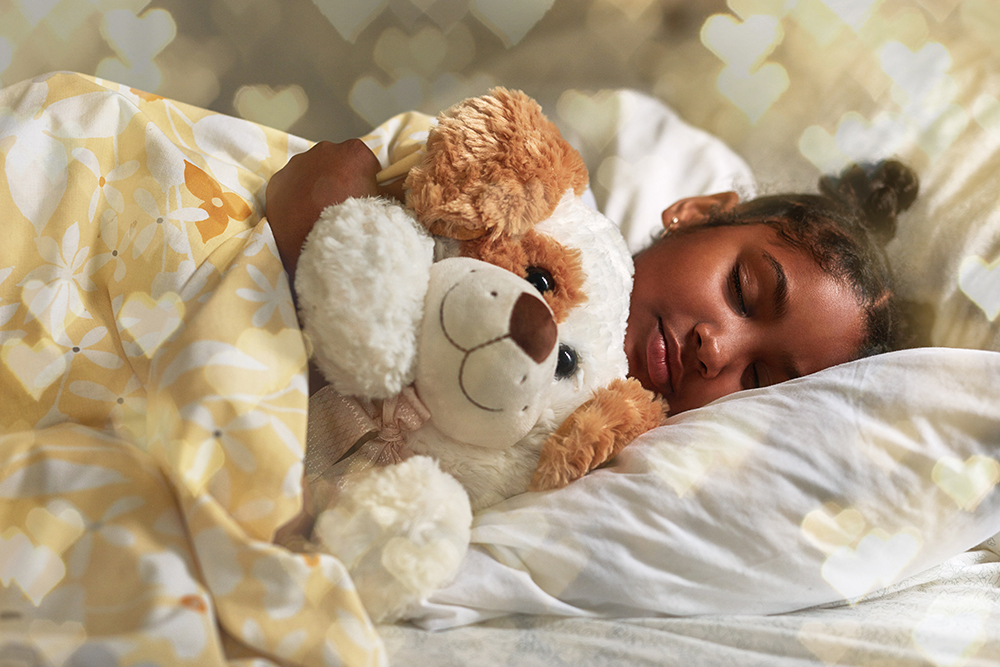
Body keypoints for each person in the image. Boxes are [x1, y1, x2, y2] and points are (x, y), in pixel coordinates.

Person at [265, 140, 917, 415]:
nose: (717, 348)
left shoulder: (606, 456)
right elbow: (348, 172)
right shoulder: (533, 212)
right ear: (699, 213)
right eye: (741, 291)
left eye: (758, 380)